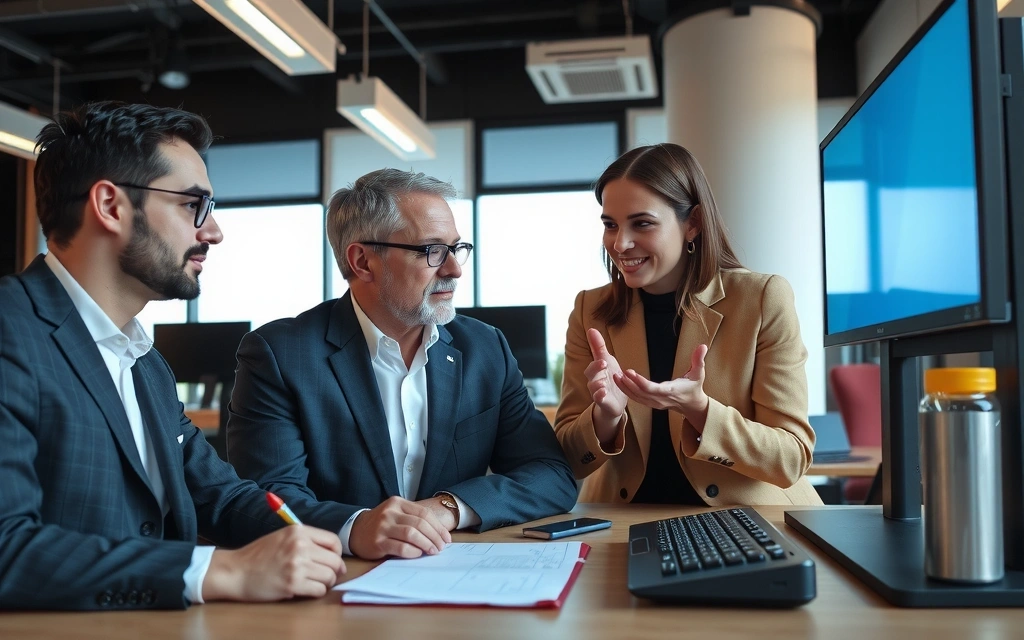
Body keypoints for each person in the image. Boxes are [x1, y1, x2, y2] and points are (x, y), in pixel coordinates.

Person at [0, 102, 345, 611]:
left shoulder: (142, 362)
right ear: (111, 206)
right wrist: (214, 570)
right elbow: (8, 548)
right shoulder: (12, 331)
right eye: (193, 206)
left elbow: (220, 496)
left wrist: (353, 530)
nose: (213, 232)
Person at [226, 168, 578, 560]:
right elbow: (265, 499)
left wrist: (447, 508)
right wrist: (356, 526)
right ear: (362, 261)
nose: (454, 269)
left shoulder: (485, 348)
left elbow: (551, 476)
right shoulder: (280, 354)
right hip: (335, 580)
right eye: (431, 250)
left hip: (456, 572)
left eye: (457, 248)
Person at [554, 143, 822, 506]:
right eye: (610, 225)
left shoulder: (761, 299)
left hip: (749, 520)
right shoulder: (591, 309)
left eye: (642, 223)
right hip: (626, 522)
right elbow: (566, 462)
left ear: (692, 223)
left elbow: (791, 459)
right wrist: (605, 417)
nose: (621, 243)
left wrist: (700, 410)